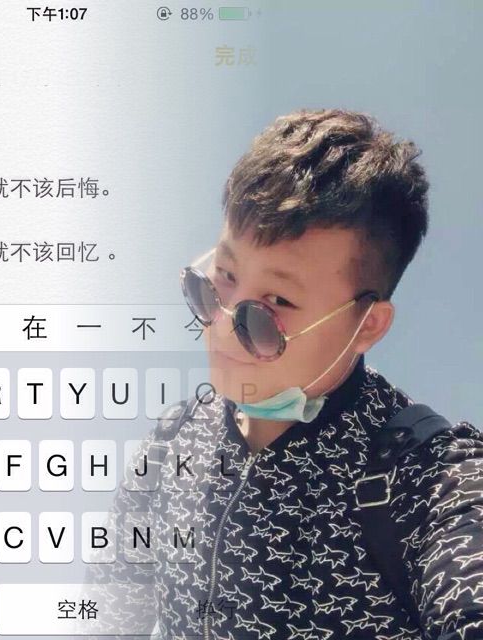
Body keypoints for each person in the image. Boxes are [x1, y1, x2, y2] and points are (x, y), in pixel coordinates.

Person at [84, 108, 483, 639]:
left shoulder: (425, 480)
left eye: (276, 302)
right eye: (223, 278)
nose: (225, 327)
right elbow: (108, 620)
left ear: (367, 325)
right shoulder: (171, 445)